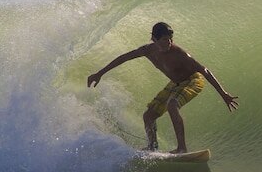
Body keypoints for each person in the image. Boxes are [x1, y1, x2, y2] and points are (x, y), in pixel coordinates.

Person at [87, 22, 238, 154]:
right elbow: (123, 58)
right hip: (175, 83)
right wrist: (99, 73)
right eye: (165, 40)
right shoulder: (147, 50)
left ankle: (182, 148)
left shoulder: (179, 53)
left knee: (172, 105)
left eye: (170, 39)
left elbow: (203, 70)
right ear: (154, 39)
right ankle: (152, 146)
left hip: (193, 80)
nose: (169, 43)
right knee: (148, 116)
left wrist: (223, 94)